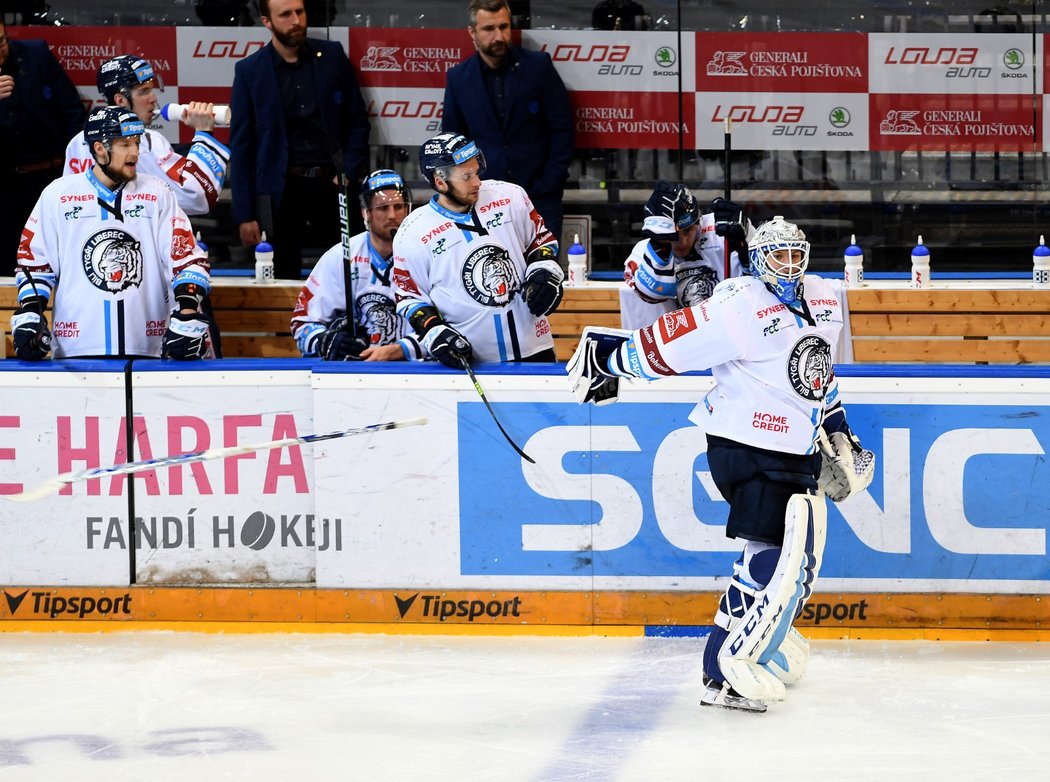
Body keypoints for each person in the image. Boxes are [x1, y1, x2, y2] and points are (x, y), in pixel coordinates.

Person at [569, 216, 875, 713]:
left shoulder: (819, 296)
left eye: (798, 255)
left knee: (778, 553)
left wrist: (839, 430)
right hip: (745, 445)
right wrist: (613, 362)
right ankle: (732, 662)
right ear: (759, 258)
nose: (791, 265)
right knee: (781, 555)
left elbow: (820, 373)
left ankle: (735, 654)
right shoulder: (741, 302)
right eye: (780, 256)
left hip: (794, 446)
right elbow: (676, 339)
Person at [11, 106, 213, 361]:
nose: (135, 152)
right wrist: (31, 313)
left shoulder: (158, 192)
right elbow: (35, 264)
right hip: (76, 351)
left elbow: (186, 258)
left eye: (137, 143)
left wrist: (187, 310)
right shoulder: (57, 195)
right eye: (125, 144)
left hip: (149, 348)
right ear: (99, 148)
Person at [392, 132, 564, 366]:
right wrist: (434, 332)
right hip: (473, 361)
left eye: (476, 171)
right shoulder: (412, 232)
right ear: (440, 181)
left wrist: (545, 271)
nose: (477, 182)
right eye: (466, 176)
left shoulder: (510, 196)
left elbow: (540, 241)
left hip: (536, 348)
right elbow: (409, 298)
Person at [230, 0, 371, 279]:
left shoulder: (331, 56)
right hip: (280, 191)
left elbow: (357, 120)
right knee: (281, 278)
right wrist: (245, 214)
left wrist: (349, 172)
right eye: (285, 14)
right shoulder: (250, 71)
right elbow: (242, 147)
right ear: (266, 21)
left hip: (332, 185)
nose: (296, 20)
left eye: (300, 11)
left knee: (349, 274)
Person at [442, 0, 574, 243]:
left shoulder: (538, 66)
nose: (499, 36)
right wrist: (467, 187)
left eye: (504, 27)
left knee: (544, 273)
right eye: (489, 29)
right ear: (472, 33)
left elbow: (562, 127)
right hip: (483, 198)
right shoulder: (459, 78)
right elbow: (451, 142)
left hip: (540, 195)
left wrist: (550, 180)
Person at [63, 55, 230, 219]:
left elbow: (67, 206)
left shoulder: (78, 141)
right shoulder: (145, 142)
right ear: (120, 100)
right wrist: (204, 132)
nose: (153, 98)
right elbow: (197, 198)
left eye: (151, 89)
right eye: (144, 91)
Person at [291, 169, 424, 361]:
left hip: (412, 371)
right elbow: (302, 324)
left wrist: (401, 349)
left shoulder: (424, 255)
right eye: (383, 208)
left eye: (399, 206)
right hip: (351, 370)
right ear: (366, 213)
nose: (392, 215)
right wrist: (324, 340)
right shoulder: (340, 257)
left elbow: (445, 326)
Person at [0, 21, 86, 275]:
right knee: (6, 265)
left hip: (49, 178)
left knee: (58, 259)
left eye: (1, 41)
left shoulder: (36, 53)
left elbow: (73, 111)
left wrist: (79, 174)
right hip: (3, 187)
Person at [622, 181, 752, 328]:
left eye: (687, 231)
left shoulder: (724, 227)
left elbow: (764, 281)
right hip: (679, 338)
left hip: (733, 327)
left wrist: (745, 249)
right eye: (674, 235)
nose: (682, 242)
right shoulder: (642, 252)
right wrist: (660, 248)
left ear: (698, 221)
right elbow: (652, 294)